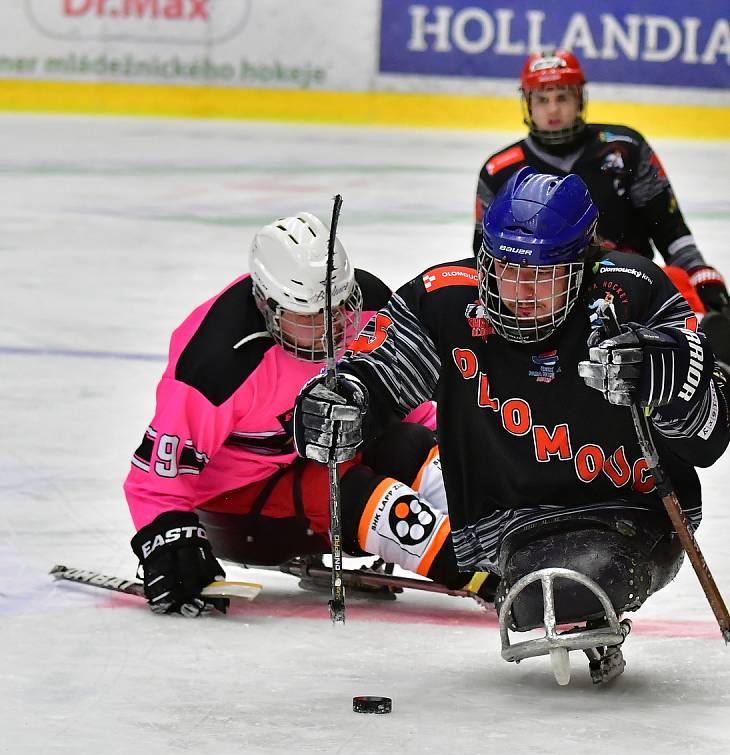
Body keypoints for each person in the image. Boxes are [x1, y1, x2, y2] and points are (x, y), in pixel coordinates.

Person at [295, 169, 729, 647]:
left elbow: (708, 439)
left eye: (540, 277)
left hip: (628, 510)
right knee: (540, 597)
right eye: (507, 271)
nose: (518, 294)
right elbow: (378, 374)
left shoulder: (633, 293)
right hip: (509, 518)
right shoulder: (445, 299)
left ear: (581, 267)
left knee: (575, 586)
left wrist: (666, 382)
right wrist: (342, 403)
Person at [123, 211, 493, 616]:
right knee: (355, 494)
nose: (330, 328)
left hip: (326, 454)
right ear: (267, 306)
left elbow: (410, 408)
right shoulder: (217, 365)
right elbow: (156, 480)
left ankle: (506, 537)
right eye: (308, 317)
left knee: (412, 446)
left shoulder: (371, 305)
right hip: (243, 499)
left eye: (339, 308)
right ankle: (490, 577)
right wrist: (170, 543)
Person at [472, 48, 730, 366]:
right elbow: (486, 258)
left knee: (683, 291)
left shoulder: (625, 149)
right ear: (527, 103)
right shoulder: (500, 172)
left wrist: (700, 273)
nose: (553, 109)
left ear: (580, 98)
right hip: (543, 294)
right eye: (542, 99)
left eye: (563, 98)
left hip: (626, 287)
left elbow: (668, 226)